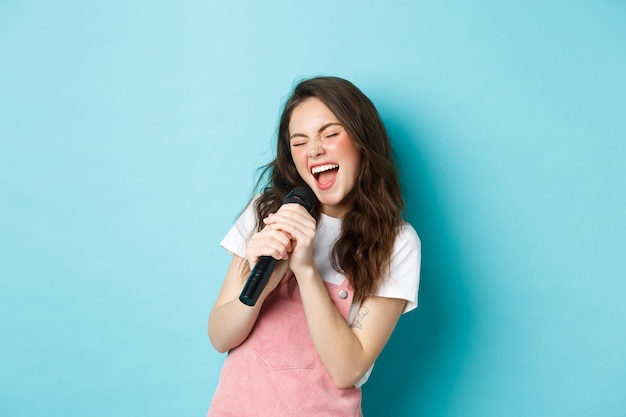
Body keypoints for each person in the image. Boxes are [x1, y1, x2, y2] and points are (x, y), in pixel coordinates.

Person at [206, 76, 421, 417]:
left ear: (363, 141)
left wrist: (304, 269)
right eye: (300, 142)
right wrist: (266, 281)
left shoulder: (396, 242)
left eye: (330, 134)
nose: (315, 150)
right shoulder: (267, 212)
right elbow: (220, 337)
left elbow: (347, 369)